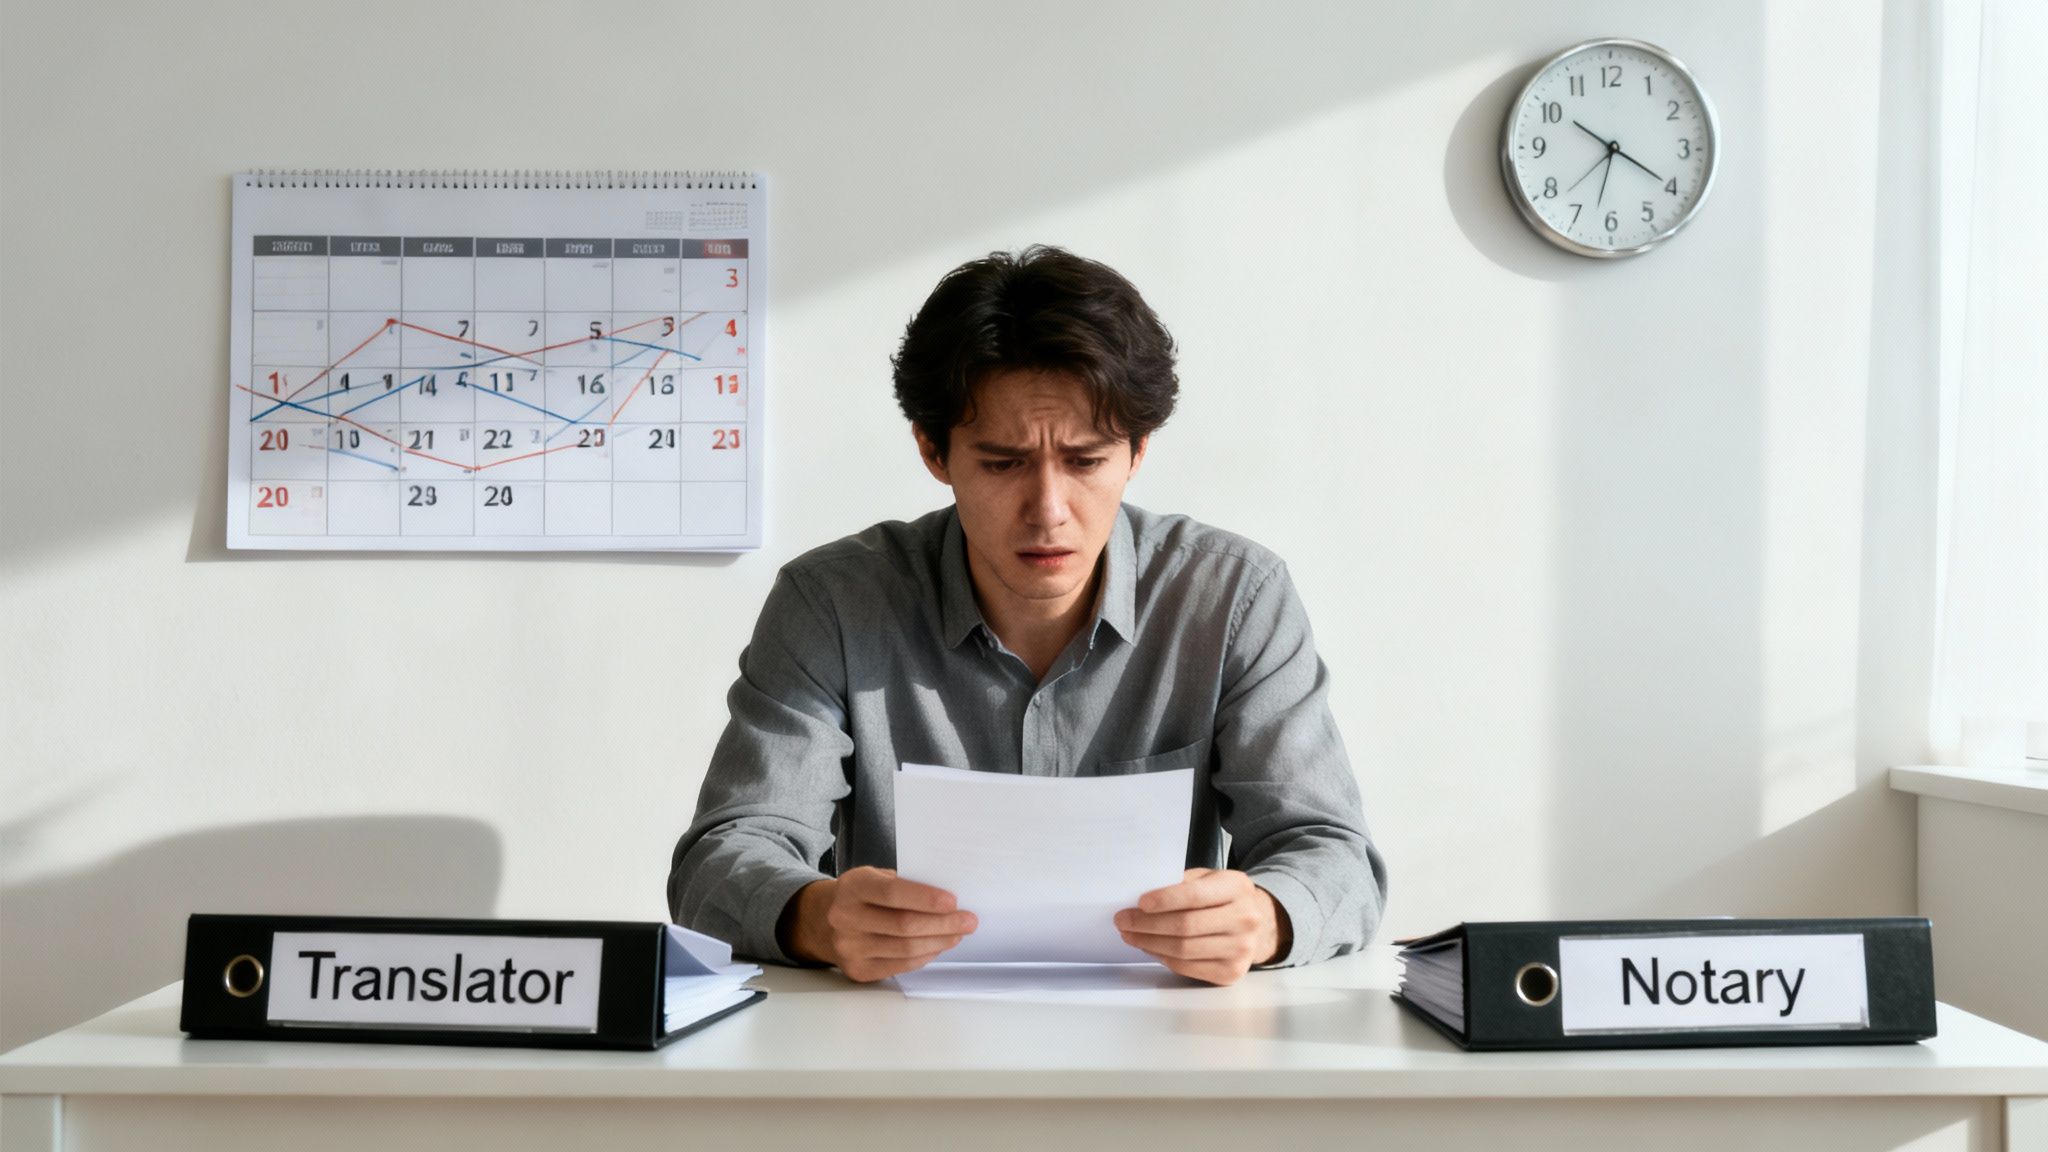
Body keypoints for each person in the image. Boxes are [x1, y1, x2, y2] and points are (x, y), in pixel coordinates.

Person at [668, 246, 1386, 985]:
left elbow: (1336, 858)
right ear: (932, 450)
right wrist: (812, 916)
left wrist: (1269, 916)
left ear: (1137, 452)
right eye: (1003, 463)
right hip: (895, 1056)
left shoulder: (1233, 598)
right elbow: (721, 859)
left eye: (1085, 461)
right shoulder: (834, 603)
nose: (1048, 512)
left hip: (1167, 1056)